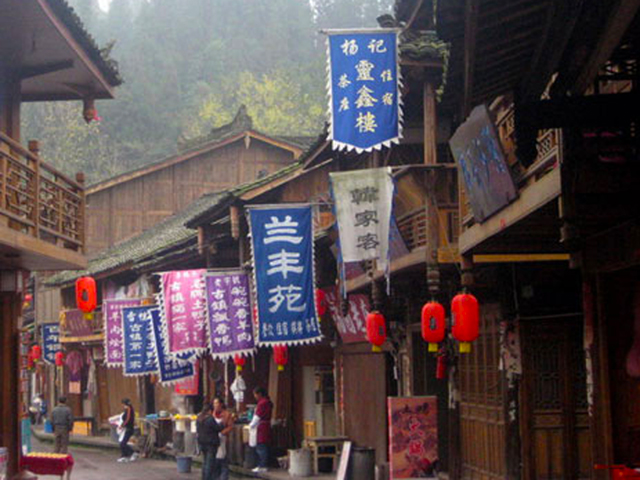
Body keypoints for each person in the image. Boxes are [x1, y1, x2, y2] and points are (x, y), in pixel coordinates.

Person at [197, 402, 223, 480]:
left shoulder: (199, 418)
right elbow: (218, 428)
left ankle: (204, 477)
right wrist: (221, 423)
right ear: (209, 411)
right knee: (209, 463)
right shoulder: (210, 419)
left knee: (205, 462)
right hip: (211, 443)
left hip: (202, 442)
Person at [251, 386, 273, 473]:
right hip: (266, 425)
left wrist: (251, 425)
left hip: (261, 426)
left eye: (255, 394)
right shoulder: (268, 402)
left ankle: (262, 465)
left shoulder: (262, 403)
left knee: (260, 446)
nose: (255, 396)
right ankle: (263, 464)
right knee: (264, 445)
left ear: (259, 394)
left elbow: (257, 416)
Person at [212, 397, 234, 480]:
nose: (215, 405)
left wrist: (222, 433)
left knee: (223, 460)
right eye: (214, 403)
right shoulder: (212, 414)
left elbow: (230, 427)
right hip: (213, 441)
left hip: (223, 440)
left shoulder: (227, 414)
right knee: (215, 461)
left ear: (221, 404)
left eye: (217, 403)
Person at [117, 398, 137, 463]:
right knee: (123, 443)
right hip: (127, 428)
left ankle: (129, 454)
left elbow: (127, 419)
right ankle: (126, 455)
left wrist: (122, 425)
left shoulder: (128, 409)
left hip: (128, 428)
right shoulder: (128, 409)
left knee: (123, 443)